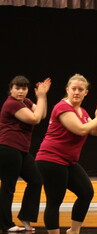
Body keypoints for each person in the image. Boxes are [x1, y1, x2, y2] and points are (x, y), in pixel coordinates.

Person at [35, 74, 97, 234]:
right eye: (73, 89)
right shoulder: (62, 107)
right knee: (55, 201)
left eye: (80, 89)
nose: (76, 92)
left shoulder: (82, 111)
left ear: (85, 93)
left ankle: (73, 231)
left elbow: (95, 131)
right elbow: (81, 129)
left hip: (67, 161)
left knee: (86, 192)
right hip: (50, 159)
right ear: (67, 90)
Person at [0, 76, 51, 232]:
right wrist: (41, 96)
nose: (20, 91)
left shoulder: (26, 102)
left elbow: (41, 114)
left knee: (36, 180)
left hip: (21, 149)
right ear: (11, 89)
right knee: (8, 186)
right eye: (17, 88)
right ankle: (5, 224)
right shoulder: (11, 103)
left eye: (23, 88)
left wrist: (43, 97)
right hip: (8, 148)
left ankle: (26, 216)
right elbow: (35, 119)